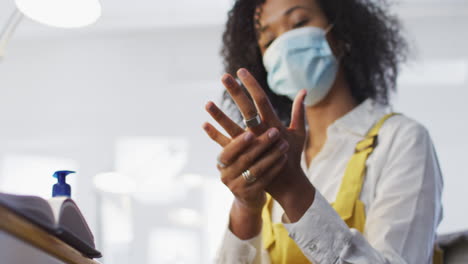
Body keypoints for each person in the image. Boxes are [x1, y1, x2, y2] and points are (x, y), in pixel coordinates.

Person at [202, 0, 443, 263]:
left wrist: (293, 191)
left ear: (340, 36)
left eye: (299, 23)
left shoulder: (401, 140)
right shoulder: (269, 156)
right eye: (269, 41)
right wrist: (245, 207)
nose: (284, 46)